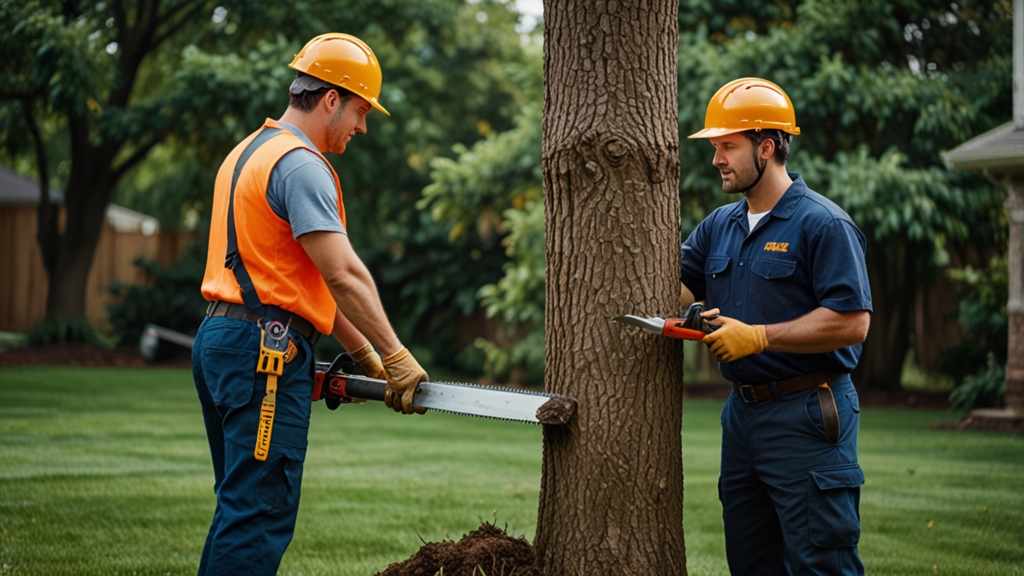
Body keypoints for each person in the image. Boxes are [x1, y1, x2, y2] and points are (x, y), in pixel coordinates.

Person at [191, 32, 427, 575]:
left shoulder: (248, 152)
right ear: (330, 99)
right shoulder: (301, 165)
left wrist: (365, 354)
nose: (363, 127)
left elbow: (305, 279)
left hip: (225, 341)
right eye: (361, 111)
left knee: (240, 506)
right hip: (265, 354)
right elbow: (343, 274)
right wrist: (396, 354)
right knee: (256, 514)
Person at [679, 78, 872, 575]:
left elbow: (852, 322)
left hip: (808, 413)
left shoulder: (824, 225)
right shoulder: (718, 225)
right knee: (751, 562)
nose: (717, 158)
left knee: (819, 562)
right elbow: (674, 290)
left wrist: (759, 336)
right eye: (715, 147)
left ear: (767, 147)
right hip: (741, 419)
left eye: (727, 146)